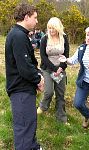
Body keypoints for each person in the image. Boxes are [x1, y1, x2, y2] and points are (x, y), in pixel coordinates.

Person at [5, 3, 44, 150]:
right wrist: (39, 79)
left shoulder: (20, 34)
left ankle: (34, 146)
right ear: (26, 17)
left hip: (25, 89)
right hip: (20, 90)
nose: (37, 21)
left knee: (29, 124)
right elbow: (25, 67)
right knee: (24, 129)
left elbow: (29, 63)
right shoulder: (18, 36)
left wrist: (38, 73)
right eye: (35, 17)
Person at [37, 17, 69, 124]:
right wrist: (54, 68)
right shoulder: (45, 39)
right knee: (49, 92)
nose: (51, 31)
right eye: (49, 28)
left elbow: (66, 55)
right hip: (47, 69)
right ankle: (43, 107)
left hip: (60, 70)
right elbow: (43, 57)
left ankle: (61, 117)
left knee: (60, 94)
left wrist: (61, 68)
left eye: (53, 28)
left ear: (58, 28)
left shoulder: (64, 38)